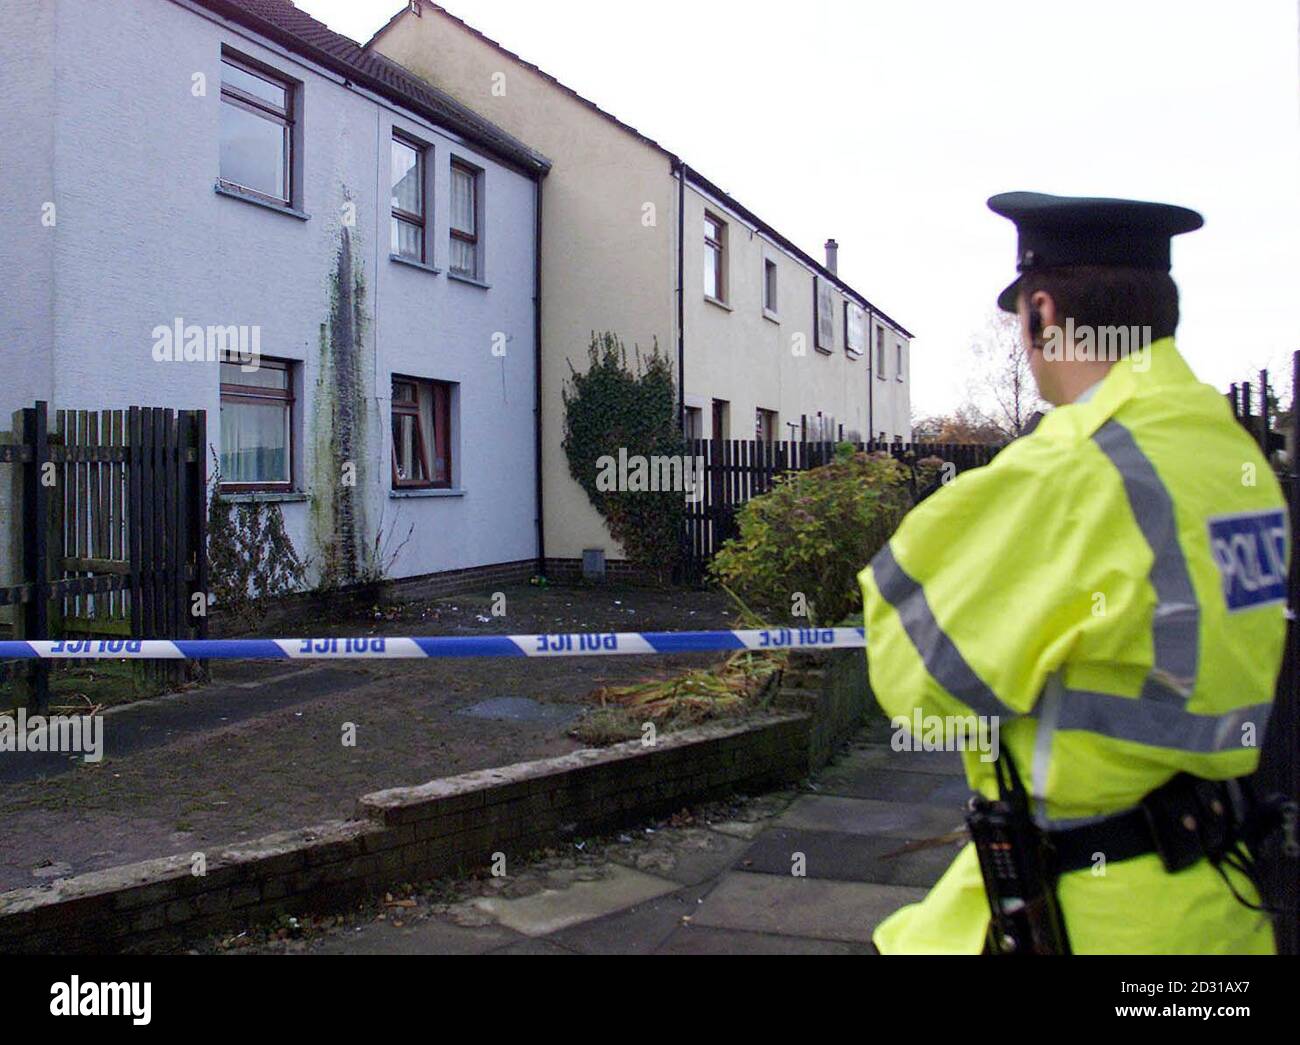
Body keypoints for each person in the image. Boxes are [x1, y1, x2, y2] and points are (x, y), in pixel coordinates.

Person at [859, 191, 1288, 954]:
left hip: (1094, 912)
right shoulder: (1227, 449)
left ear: (1043, 311)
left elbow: (918, 678)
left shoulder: (1076, 467)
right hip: (1218, 901)